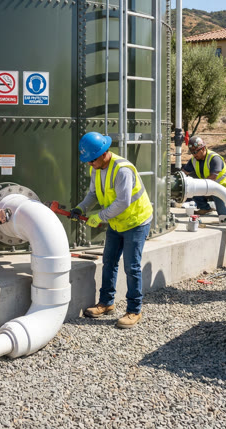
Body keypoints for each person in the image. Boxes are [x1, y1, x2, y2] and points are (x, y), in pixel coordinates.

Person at [72, 132, 153, 329]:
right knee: (108, 261)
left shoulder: (122, 170)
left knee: (131, 266)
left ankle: (134, 310)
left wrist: (99, 217)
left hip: (136, 222)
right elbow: (93, 193)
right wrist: (81, 207)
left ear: (104, 153)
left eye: (92, 160)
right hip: (117, 223)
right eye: (88, 161)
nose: (89, 164)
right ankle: (106, 303)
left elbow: (123, 202)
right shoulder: (97, 168)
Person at [180, 135, 226, 216]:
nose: (194, 154)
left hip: (223, 188)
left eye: (196, 151)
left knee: (223, 215)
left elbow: (212, 178)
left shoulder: (214, 158)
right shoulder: (194, 160)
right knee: (191, 187)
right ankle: (205, 208)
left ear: (203, 148)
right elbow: (184, 172)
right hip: (209, 186)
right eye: (192, 152)